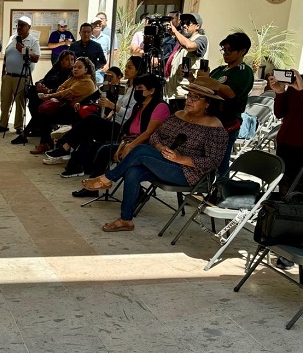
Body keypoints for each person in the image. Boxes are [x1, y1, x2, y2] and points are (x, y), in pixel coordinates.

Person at [82, 80, 228, 232]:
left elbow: (212, 161)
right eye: (189, 95)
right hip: (164, 162)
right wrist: (160, 147)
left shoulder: (214, 127)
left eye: (196, 97)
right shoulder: (179, 115)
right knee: (133, 171)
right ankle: (126, 220)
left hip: (189, 173)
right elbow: (155, 135)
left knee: (141, 150)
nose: (189, 100)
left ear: (208, 103)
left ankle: (107, 178)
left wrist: (179, 159)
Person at [72, 74, 171, 197]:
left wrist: (129, 146)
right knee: (104, 150)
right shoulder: (139, 106)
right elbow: (127, 130)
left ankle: (116, 184)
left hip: (148, 146)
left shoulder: (160, 107)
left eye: (140, 88)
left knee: (127, 155)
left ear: (151, 90)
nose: (137, 91)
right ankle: (93, 188)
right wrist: (122, 146)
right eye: (136, 88)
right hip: (130, 141)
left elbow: (149, 133)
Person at [47, 57, 144, 175]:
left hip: (122, 128)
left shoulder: (138, 91)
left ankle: (66, 147)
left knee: (91, 120)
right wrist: (109, 114)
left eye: (130, 67)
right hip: (113, 121)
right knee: (87, 131)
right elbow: (97, 96)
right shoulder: (125, 87)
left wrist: (112, 106)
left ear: (138, 70)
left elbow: (131, 114)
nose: (126, 70)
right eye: (126, 67)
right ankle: (75, 166)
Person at [201, 32, 254, 177]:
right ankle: (207, 187)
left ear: (242, 51)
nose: (225, 54)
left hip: (226, 124)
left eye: (229, 50)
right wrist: (192, 78)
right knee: (205, 160)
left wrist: (208, 81)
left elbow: (230, 93)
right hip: (208, 121)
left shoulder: (244, 72)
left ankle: (221, 189)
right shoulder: (219, 70)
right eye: (224, 50)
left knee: (220, 164)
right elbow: (205, 87)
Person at [31, 56, 96, 154]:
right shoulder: (73, 78)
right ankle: (46, 142)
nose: (76, 69)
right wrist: (64, 95)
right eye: (74, 67)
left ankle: (44, 143)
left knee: (45, 114)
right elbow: (61, 88)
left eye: (79, 67)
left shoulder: (87, 82)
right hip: (67, 106)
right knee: (42, 110)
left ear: (86, 69)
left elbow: (66, 92)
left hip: (76, 112)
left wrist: (50, 96)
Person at [12, 50, 75, 144]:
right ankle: (35, 129)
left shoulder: (71, 74)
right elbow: (44, 79)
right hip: (45, 94)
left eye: (72, 59)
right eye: (67, 59)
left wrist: (49, 91)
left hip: (56, 97)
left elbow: (64, 90)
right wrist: (39, 83)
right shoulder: (55, 69)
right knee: (32, 94)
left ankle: (25, 133)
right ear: (61, 61)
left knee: (40, 109)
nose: (70, 62)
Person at [0, 16, 41, 134]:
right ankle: (3, 124)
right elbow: (6, 56)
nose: (19, 27)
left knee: (20, 103)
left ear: (29, 27)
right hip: (8, 76)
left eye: (22, 25)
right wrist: (3, 73)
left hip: (22, 77)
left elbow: (36, 58)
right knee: (5, 102)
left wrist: (23, 50)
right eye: (18, 25)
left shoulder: (33, 41)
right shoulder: (12, 38)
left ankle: (19, 126)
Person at [267, 69, 303, 195]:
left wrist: (301, 91)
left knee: (297, 192)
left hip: (300, 148)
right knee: (283, 185)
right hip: (285, 144)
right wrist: (280, 92)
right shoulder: (298, 80)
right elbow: (279, 113)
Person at [164, 13, 209, 98]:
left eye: (188, 23)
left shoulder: (202, 38)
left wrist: (175, 32)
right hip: (173, 93)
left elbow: (189, 46)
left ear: (197, 26)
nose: (184, 25)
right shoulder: (182, 41)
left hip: (186, 94)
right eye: (183, 23)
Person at [90, 17, 111, 83]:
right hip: (89, 69)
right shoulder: (88, 37)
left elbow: (109, 53)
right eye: (95, 23)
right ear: (91, 25)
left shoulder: (106, 38)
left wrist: (107, 65)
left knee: (99, 86)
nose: (98, 25)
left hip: (101, 70)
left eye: (99, 23)